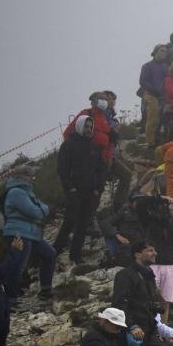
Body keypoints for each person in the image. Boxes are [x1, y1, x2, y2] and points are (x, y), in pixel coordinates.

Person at [53, 112, 107, 266]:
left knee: (83, 224)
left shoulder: (94, 147)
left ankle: (75, 255)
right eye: (86, 126)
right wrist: (69, 188)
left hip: (91, 193)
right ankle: (54, 252)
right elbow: (62, 169)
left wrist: (99, 188)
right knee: (69, 222)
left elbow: (101, 169)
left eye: (91, 126)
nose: (89, 129)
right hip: (74, 192)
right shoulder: (68, 145)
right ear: (79, 126)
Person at [0, 172, 56, 308]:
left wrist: (39, 211)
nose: (33, 178)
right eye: (30, 175)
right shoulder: (16, 192)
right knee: (17, 266)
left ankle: (46, 290)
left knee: (50, 254)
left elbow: (44, 209)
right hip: (18, 233)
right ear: (21, 177)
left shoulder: (28, 192)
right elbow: (36, 212)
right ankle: (10, 301)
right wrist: (39, 211)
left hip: (30, 233)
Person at [137, 46, 169, 148]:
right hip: (150, 95)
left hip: (163, 96)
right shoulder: (147, 66)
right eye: (162, 50)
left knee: (162, 119)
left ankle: (159, 141)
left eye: (165, 51)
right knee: (153, 118)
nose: (164, 53)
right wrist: (155, 90)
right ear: (155, 52)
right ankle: (150, 142)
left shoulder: (166, 67)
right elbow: (143, 81)